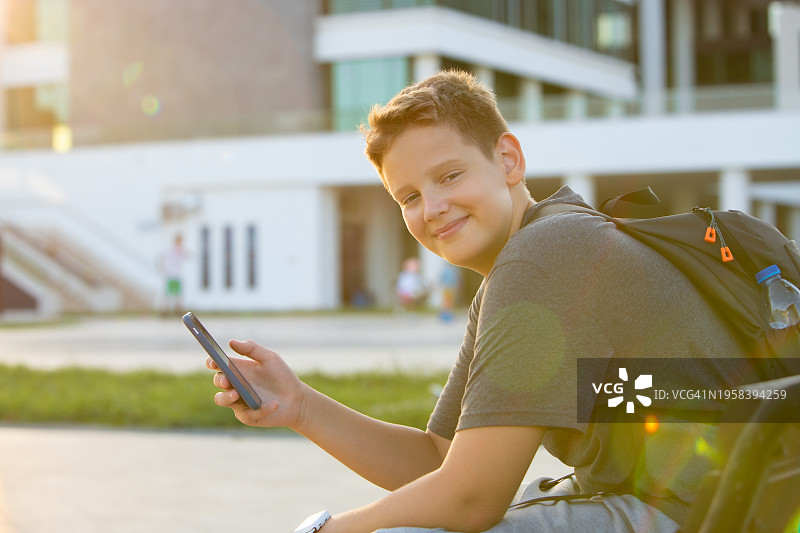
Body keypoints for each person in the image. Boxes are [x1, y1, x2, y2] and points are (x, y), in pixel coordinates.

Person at [207, 70, 756, 532]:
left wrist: (330, 530)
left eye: (450, 175)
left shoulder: (548, 253)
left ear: (509, 159)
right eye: (410, 197)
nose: (434, 208)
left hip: (701, 515)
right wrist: (301, 406)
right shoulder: (530, 258)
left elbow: (473, 497)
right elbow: (440, 460)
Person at [159, 234, 187, 316]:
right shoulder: (172, 250)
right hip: (171, 275)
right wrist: (165, 270)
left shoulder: (178, 250)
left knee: (176, 295)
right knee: (169, 294)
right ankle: (164, 311)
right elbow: (162, 258)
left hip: (175, 275)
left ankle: (176, 311)